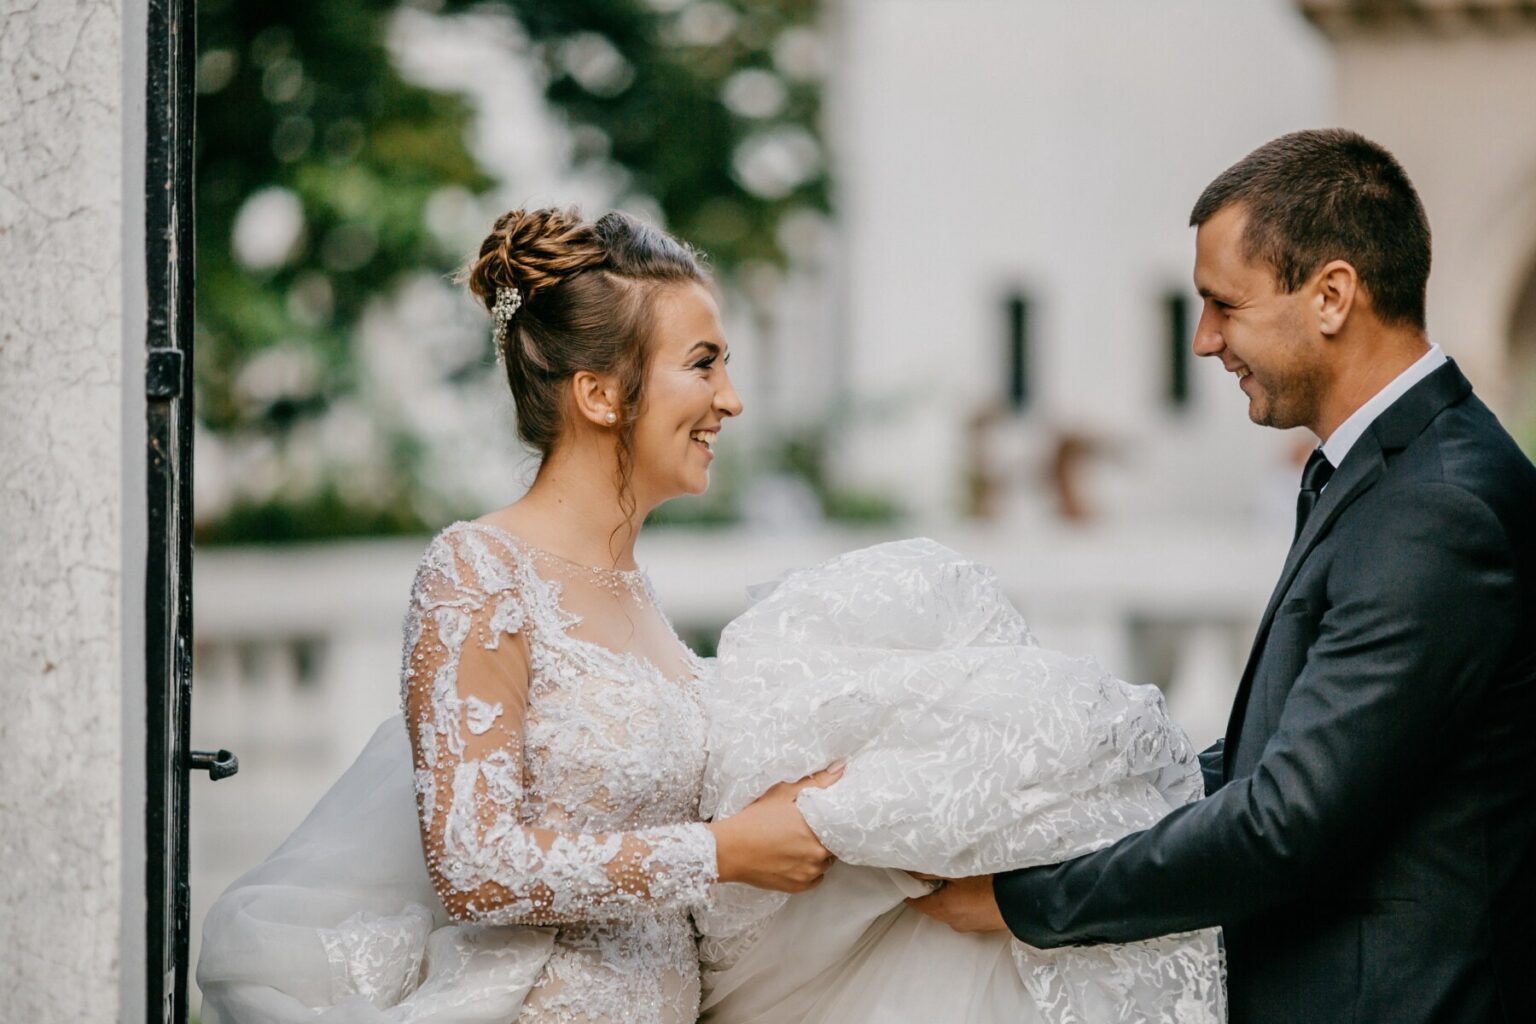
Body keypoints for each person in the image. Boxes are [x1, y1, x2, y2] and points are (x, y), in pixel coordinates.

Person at [909, 129, 1536, 1023]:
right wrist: (1043, 813)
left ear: (1331, 296)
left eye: (1223, 305)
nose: (1203, 341)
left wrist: (1027, 903)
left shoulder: (1436, 508)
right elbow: (1262, 758)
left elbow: (1285, 821)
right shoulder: (1384, 474)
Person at [198, 208, 841, 1023]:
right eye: (704, 365)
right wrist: (723, 851)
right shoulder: (477, 572)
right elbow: (472, 864)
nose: (732, 400)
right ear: (601, 394)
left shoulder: (637, 594)